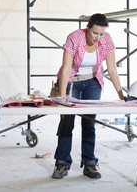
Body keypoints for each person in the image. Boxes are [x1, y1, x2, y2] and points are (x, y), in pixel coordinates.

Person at [52, 13, 125, 179]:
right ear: (87, 28)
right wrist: (63, 97)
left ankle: (89, 163)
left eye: (101, 34)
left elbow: (112, 69)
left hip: (93, 81)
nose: (98, 37)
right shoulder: (74, 38)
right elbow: (66, 67)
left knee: (89, 123)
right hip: (73, 81)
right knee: (67, 122)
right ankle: (62, 163)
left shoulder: (106, 40)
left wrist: (121, 94)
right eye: (94, 33)